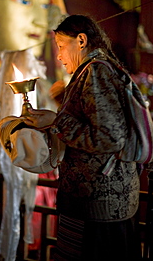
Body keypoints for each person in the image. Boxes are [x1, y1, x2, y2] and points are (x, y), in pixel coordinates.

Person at [19, 14, 142, 261]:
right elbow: (93, 119)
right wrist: (61, 103)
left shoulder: (96, 71)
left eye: (62, 46)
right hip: (99, 202)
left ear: (82, 40)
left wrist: (55, 120)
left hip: (99, 205)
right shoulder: (94, 70)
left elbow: (109, 138)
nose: (59, 55)